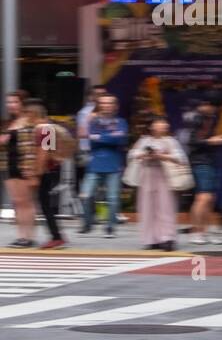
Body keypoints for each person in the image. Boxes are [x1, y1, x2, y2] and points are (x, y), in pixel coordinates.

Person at [127, 116, 184, 251]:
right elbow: (132, 154)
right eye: (159, 123)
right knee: (147, 207)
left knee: (166, 206)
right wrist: (144, 154)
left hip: (164, 175)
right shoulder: (144, 140)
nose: (163, 125)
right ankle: (151, 239)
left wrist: (162, 156)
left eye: (164, 123)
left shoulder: (171, 141)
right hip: (147, 174)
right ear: (152, 126)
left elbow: (180, 157)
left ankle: (168, 238)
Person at [26, 99, 74, 250]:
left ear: (33, 114)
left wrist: (36, 174)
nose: (25, 117)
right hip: (50, 170)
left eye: (26, 113)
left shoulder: (44, 129)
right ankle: (57, 236)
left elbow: (44, 153)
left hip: (47, 171)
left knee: (45, 205)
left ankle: (56, 237)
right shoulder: (48, 128)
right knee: (45, 205)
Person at [80, 93, 128, 237]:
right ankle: (88, 222)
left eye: (109, 103)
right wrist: (109, 136)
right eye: (103, 103)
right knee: (86, 195)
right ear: (99, 105)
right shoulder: (93, 121)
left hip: (113, 164)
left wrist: (99, 136)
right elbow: (90, 138)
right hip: (94, 163)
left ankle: (110, 227)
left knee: (112, 198)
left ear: (115, 106)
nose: (106, 105)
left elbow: (120, 140)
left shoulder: (121, 122)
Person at [186, 95, 222, 244]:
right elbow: (192, 141)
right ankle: (196, 232)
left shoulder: (211, 118)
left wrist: (218, 139)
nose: (215, 110)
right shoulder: (197, 118)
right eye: (213, 106)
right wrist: (211, 141)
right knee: (203, 197)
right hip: (200, 162)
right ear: (207, 104)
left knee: (210, 199)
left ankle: (204, 231)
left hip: (211, 161)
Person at [2, 90, 36, 248]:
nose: (11, 105)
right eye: (9, 102)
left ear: (22, 104)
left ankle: (28, 237)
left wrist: (35, 168)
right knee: (16, 202)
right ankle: (21, 235)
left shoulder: (30, 121)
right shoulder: (8, 123)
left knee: (25, 202)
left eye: (15, 102)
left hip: (25, 164)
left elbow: (44, 142)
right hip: (9, 164)